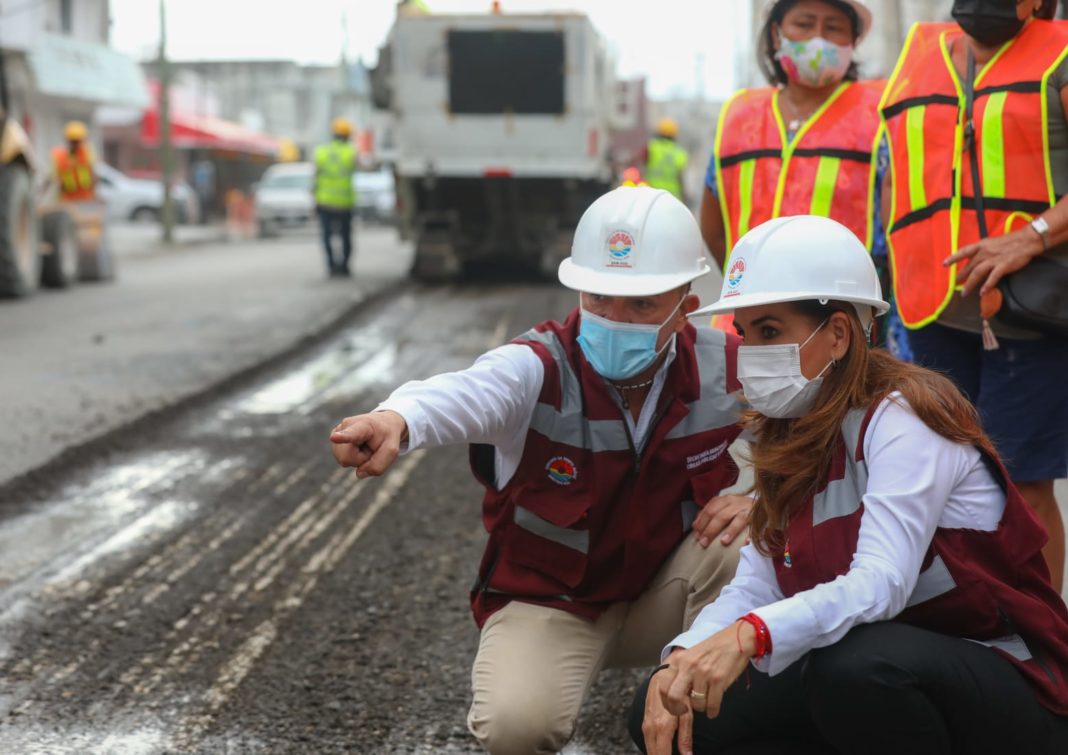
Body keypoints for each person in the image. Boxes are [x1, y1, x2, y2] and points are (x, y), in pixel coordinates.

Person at [330, 186, 750, 755]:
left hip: (665, 597)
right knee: (515, 726)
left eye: (642, 305)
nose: (614, 318)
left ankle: (705, 716)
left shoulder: (728, 372)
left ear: (686, 308)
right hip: (556, 603)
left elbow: (816, 427)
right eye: (599, 297)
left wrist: (762, 497)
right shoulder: (537, 368)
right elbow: (467, 392)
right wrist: (397, 420)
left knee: (744, 536)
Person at [628, 215, 1068, 755]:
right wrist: (683, 656)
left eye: (770, 331)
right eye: (745, 333)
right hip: (880, 679)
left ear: (838, 334)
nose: (751, 351)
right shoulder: (796, 431)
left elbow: (881, 583)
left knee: (854, 667)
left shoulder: (904, 418)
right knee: (670, 708)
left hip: (1004, 679)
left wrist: (750, 635)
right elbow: (756, 584)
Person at [879, 0, 1068, 591]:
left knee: (1022, 482)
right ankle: (971, 625)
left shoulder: (1059, 53)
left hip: (1029, 312)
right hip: (929, 304)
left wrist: (1030, 238)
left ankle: (1045, 649)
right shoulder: (917, 53)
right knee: (938, 477)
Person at [701, 0, 909, 358]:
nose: (818, 39)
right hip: (744, 330)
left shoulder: (880, 114)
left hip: (838, 332)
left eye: (833, 28)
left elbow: (898, 229)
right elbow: (714, 222)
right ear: (776, 32)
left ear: (853, 41)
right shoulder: (739, 115)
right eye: (804, 24)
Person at [314, 117, 358, 277]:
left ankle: (332, 266)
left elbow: (316, 176)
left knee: (327, 236)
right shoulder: (351, 151)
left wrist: (314, 199)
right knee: (345, 236)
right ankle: (345, 267)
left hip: (325, 202)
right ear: (347, 135)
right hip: (344, 204)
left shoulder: (322, 151)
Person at [644, 118, 689, 204]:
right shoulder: (680, 153)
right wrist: (684, 195)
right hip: (672, 197)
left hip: (652, 195)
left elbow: (639, 162)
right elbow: (680, 177)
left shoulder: (652, 147)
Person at [52, 121, 96, 203]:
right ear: (68, 140)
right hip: (67, 199)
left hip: (86, 198)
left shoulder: (87, 153)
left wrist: (94, 195)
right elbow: (56, 178)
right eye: (73, 141)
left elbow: (93, 175)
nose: (76, 144)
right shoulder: (60, 156)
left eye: (78, 141)